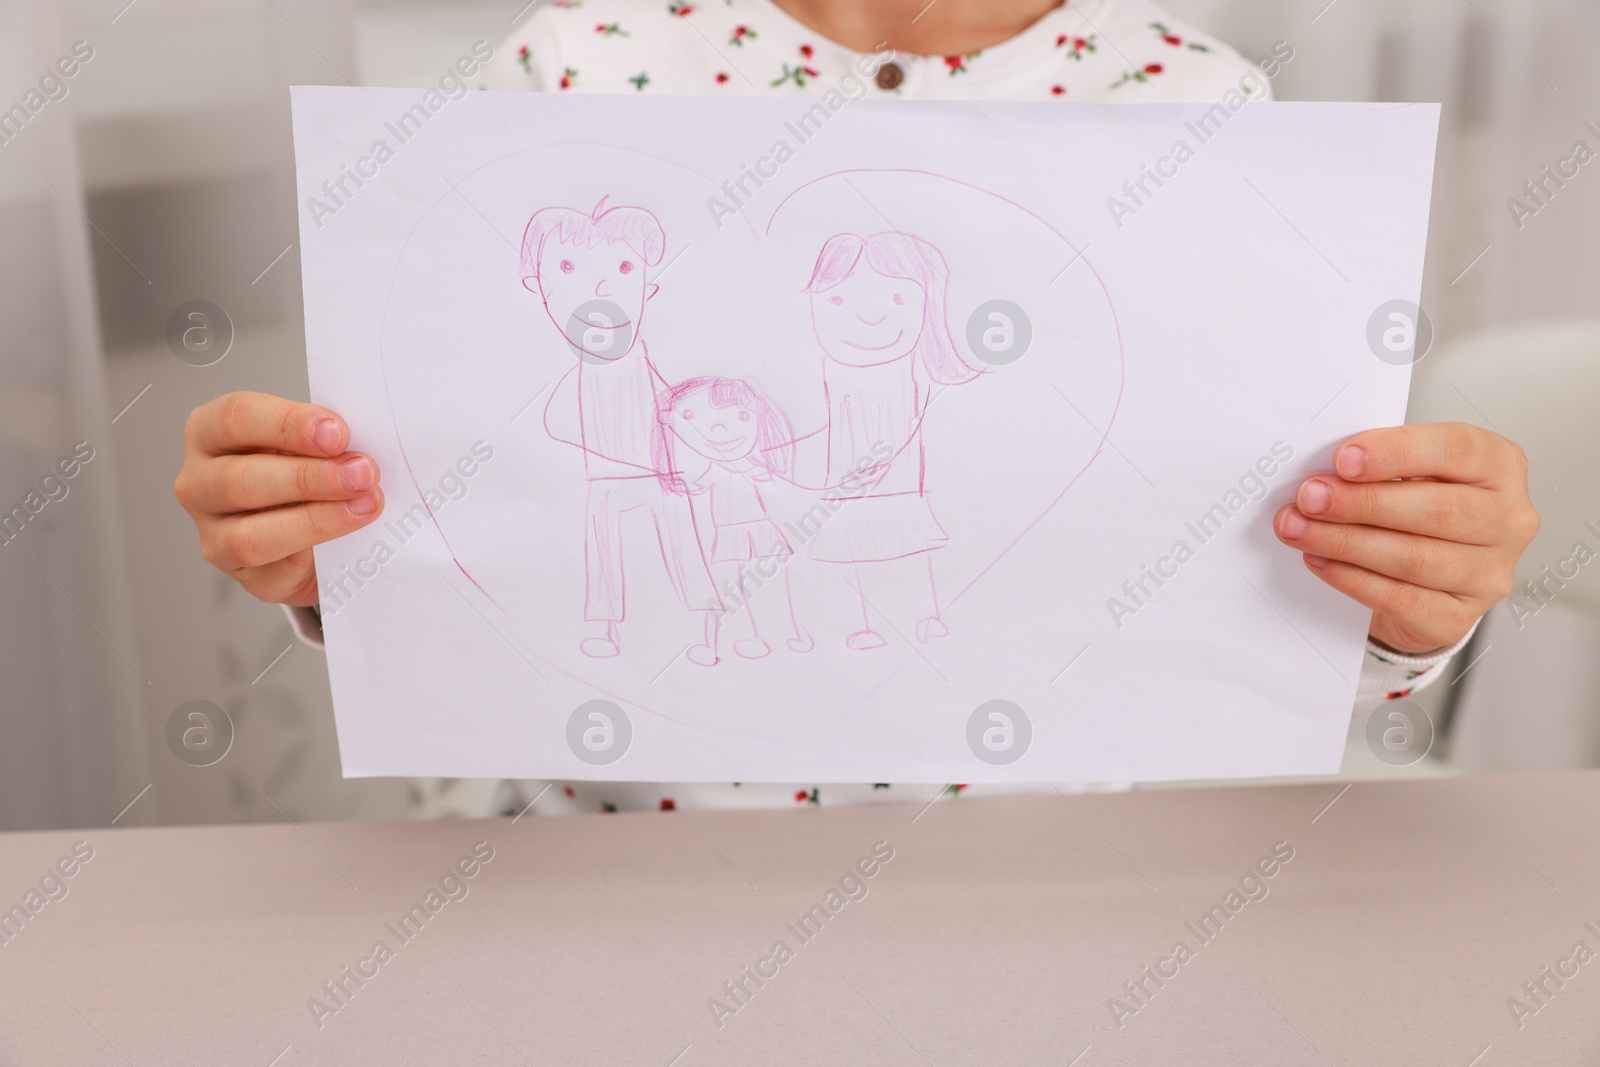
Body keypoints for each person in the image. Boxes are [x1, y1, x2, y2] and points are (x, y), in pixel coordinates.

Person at [173, 0, 1539, 815]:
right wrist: (322, 553)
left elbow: (1259, 574)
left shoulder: (1189, 104)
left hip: (1051, 897)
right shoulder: (572, 68)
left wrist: (1406, 608)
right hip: (607, 874)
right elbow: (448, 513)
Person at [522, 198, 721, 660]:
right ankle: (605, 631)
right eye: (567, 266)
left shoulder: (648, 363)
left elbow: (674, 407)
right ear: (539, 286)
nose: (600, 284)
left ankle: (703, 631)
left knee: (683, 545)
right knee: (603, 550)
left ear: (649, 289)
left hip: (658, 472)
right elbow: (556, 423)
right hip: (604, 478)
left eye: (626, 267)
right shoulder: (577, 374)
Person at [655, 375, 813, 663]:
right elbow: (698, 484)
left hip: (760, 531)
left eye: (742, 416)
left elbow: (778, 484)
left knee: (770, 584)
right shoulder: (715, 469)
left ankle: (788, 633)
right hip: (729, 534)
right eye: (691, 416)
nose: (718, 428)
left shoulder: (754, 467)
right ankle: (730, 642)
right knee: (729, 588)